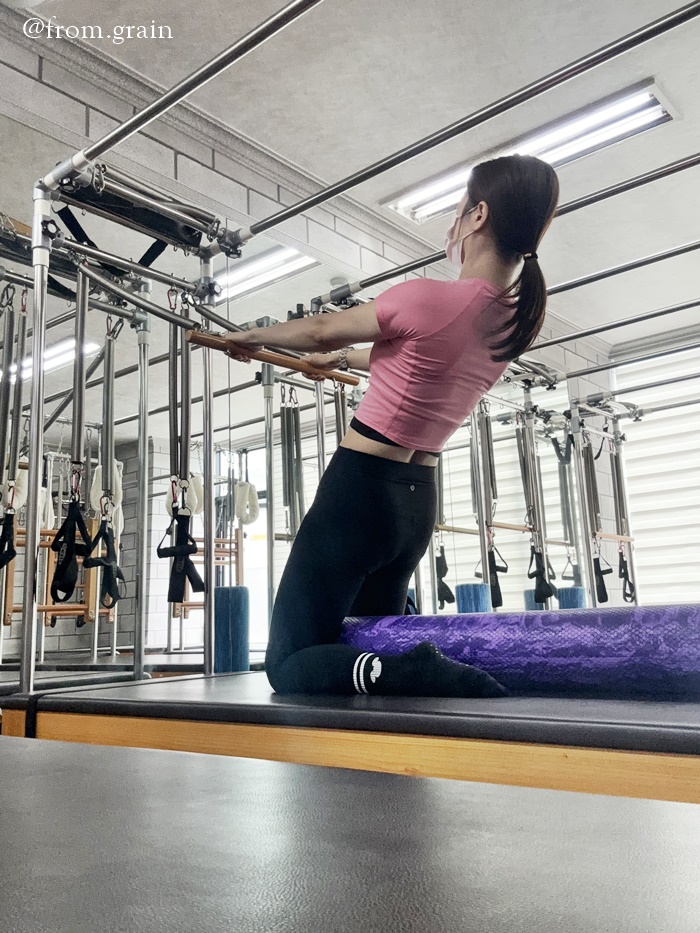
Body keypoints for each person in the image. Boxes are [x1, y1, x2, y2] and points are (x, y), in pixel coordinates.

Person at [224, 154, 560, 697]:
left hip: (359, 493)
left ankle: (413, 669)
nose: (454, 219)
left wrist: (251, 337)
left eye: (459, 208)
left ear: (478, 215)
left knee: (288, 663)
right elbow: (417, 354)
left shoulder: (427, 296)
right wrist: (343, 361)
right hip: (413, 505)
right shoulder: (511, 322)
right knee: (369, 637)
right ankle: (401, 679)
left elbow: (322, 329)